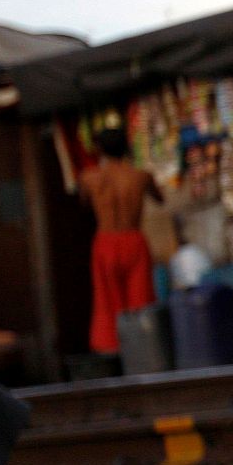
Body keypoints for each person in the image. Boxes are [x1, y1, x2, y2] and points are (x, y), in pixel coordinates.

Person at [79, 126, 162, 354]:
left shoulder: (89, 178)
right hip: (133, 239)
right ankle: (144, 350)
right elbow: (160, 199)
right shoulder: (141, 176)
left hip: (105, 241)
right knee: (141, 300)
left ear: (100, 150)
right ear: (126, 147)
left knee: (107, 303)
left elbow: (84, 204)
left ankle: (110, 350)